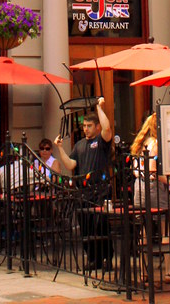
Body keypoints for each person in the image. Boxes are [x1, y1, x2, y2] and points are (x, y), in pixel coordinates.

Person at [55, 98, 114, 269]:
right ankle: (93, 258)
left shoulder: (101, 142)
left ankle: (106, 258)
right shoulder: (80, 145)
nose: (86, 129)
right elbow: (70, 164)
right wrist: (60, 148)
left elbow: (107, 128)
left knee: (101, 224)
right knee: (86, 226)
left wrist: (99, 108)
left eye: (89, 126)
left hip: (101, 190)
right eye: (84, 126)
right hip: (84, 192)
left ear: (96, 127)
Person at [130, 112, 170, 210]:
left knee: (143, 219)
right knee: (163, 219)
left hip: (139, 185)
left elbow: (135, 168)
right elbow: (152, 170)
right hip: (154, 187)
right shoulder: (156, 144)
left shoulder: (141, 144)